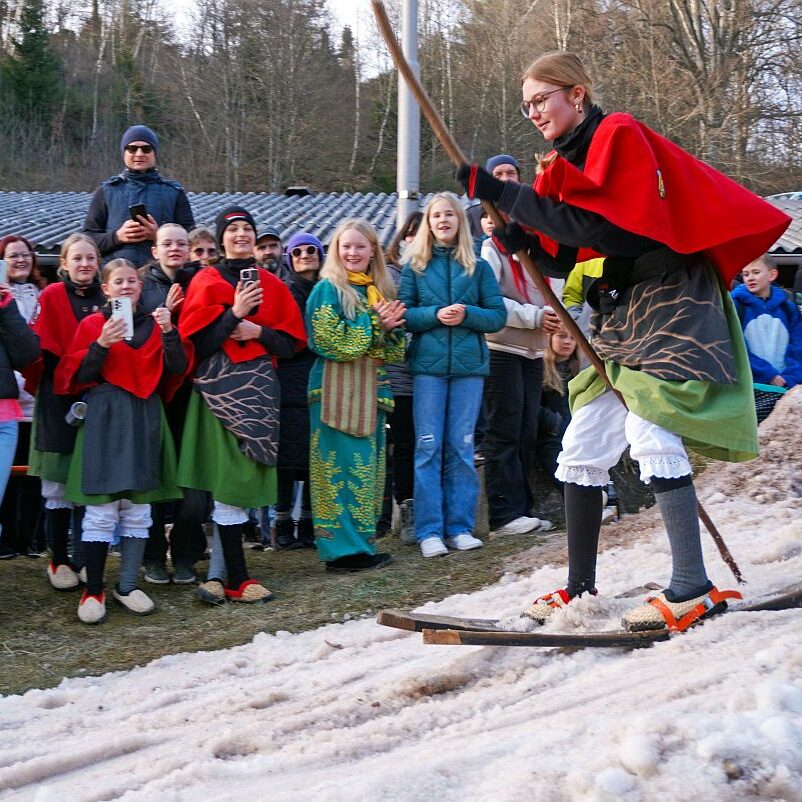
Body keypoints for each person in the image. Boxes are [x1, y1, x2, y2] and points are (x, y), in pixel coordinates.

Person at [458, 51, 790, 630]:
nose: (533, 111)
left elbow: (618, 229)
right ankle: (580, 589)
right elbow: (572, 252)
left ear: (577, 94)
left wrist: (507, 195)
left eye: (542, 99)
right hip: (625, 307)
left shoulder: (620, 133)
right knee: (584, 440)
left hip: (673, 296)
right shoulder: (559, 167)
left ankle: (692, 584)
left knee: (651, 425)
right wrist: (525, 242)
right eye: (526, 104)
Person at [177, 206, 306, 604]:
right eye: (232, 229)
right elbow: (196, 344)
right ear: (221, 239)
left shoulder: (273, 284)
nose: (240, 235)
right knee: (227, 484)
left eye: (246, 228)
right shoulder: (206, 280)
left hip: (259, 393)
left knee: (240, 484)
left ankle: (228, 577)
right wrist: (234, 314)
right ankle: (237, 579)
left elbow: (290, 344)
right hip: (219, 394)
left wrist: (260, 330)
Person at [57, 258, 188, 623]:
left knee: (138, 509)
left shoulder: (154, 324)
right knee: (100, 508)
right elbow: (75, 376)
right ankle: (93, 588)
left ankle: (127, 585)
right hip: (106, 416)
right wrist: (100, 344)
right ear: (106, 288)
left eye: (133, 280)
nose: (127, 286)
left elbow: (177, 369)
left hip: (145, 415)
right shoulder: (93, 325)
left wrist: (169, 332)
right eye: (119, 281)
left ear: (140, 287)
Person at [399, 192, 506, 558]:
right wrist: (434, 315)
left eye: (449, 214)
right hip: (427, 370)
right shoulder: (414, 267)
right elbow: (403, 316)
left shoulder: (479, 267)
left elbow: (497, 316)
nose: (443, 220)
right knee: (428, 446)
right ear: (427, 223)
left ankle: (459, 527)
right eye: (436, 216)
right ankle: (429, 531)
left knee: (461, 446)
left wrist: (467, 315)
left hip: (468, 370)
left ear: (460, 221)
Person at [305, 218, 405, 572]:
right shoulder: (327, 289)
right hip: (334, 391)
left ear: (373, 252)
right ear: (336, 251)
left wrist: (391, 331)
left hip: (370, 392)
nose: (352, 252)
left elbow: (393, 352)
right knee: (337, 472)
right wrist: (377, 324)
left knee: (366, 472)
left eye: (360, 246)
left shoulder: (378, 290)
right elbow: (329, 340)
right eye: (345, 246)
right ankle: (340, 553)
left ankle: (361, 546)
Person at [29, 233, 106, 590]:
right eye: (77, 258)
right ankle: (58, 558)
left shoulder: (109, 298)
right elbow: (42, 349)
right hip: (58, 396)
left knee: (87, 482)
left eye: (90, 258)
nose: (85, 264)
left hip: (97, 396)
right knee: (58, 484)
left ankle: (85, 559)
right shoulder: (52, 295)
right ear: (64, 263)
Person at [479, 205, 558, 536]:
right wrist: (535, 316)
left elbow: (553, 290)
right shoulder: (490, 250)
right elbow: (492, 299)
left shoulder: (539, 251)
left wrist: (554, 313)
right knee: (504, 429)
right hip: (502, 348)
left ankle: (522, 508)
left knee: (527, 429)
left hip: (534, 350)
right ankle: (503, 513)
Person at [139, 223, 208, 583]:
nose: (175, 249)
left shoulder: (202, 282)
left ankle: (186, 555)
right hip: (151, 394)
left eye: (182, 243)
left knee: (192, 483)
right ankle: (151, 557)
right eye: (167, 243)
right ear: (154, 250)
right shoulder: (138, 285)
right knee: (152, 478)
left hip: (193, 394)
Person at [273, 231, 324, 550]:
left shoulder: (326, 290)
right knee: (285, 459)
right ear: (289, 258)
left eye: (311, 250)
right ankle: (281, 524)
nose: (305, 255)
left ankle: (307, 521)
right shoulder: (284, 291)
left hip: (318, 377)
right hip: (288, 378)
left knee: (312, 456)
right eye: (297, 251)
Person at [83, 125, 195, 266]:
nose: (139, 153)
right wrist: (117, 236)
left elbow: (192, 240)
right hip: (116, 278)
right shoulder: (106, 191)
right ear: (124, 153)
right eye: (132, 148)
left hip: (162, 279)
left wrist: (159, 236)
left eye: (146, 149)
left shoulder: (174, 192)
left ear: (155, 153)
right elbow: (86, 240)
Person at [0, 235, 45, 559]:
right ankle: (7, 539)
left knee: (33, 474)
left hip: (32, 398)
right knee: (9, 479)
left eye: (25, 254)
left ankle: (29, 538)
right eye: (12, 256)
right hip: (9, 394)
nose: (19, 260)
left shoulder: (42, 295)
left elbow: (32, 346)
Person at [384, 212, 423, 544]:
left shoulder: (433, 273)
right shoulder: (389, 275)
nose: (415, 239)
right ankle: (403, 508)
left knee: (420, 442)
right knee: (402, 443)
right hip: (396, 373)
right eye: (412, 233)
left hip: (428, 371)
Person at [731, 255, 802, 423]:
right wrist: (767, 373)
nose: (750, 278)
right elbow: (735, 346)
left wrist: (790, 377)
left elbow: (798, 346)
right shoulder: (736, 306)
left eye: (756, 272)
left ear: (772, 275)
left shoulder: (788, 308)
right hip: (750, 388)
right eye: (746, 274)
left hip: (784, 387)